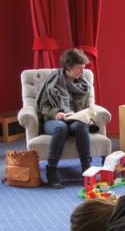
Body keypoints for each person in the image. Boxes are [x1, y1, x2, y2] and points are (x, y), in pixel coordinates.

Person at [36, 48, 95, 189]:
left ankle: (86, 170)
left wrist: (86, 116)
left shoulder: (83, 85)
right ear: (68, 67)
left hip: (74, 120)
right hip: (53, 120)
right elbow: (43, 106)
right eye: (79, 69)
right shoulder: (54, 80)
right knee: (61, 127)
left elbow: (87, 107)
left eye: (83, 68)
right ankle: (52, 170)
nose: (82, 72)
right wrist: (56, 113)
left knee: (82, 126)